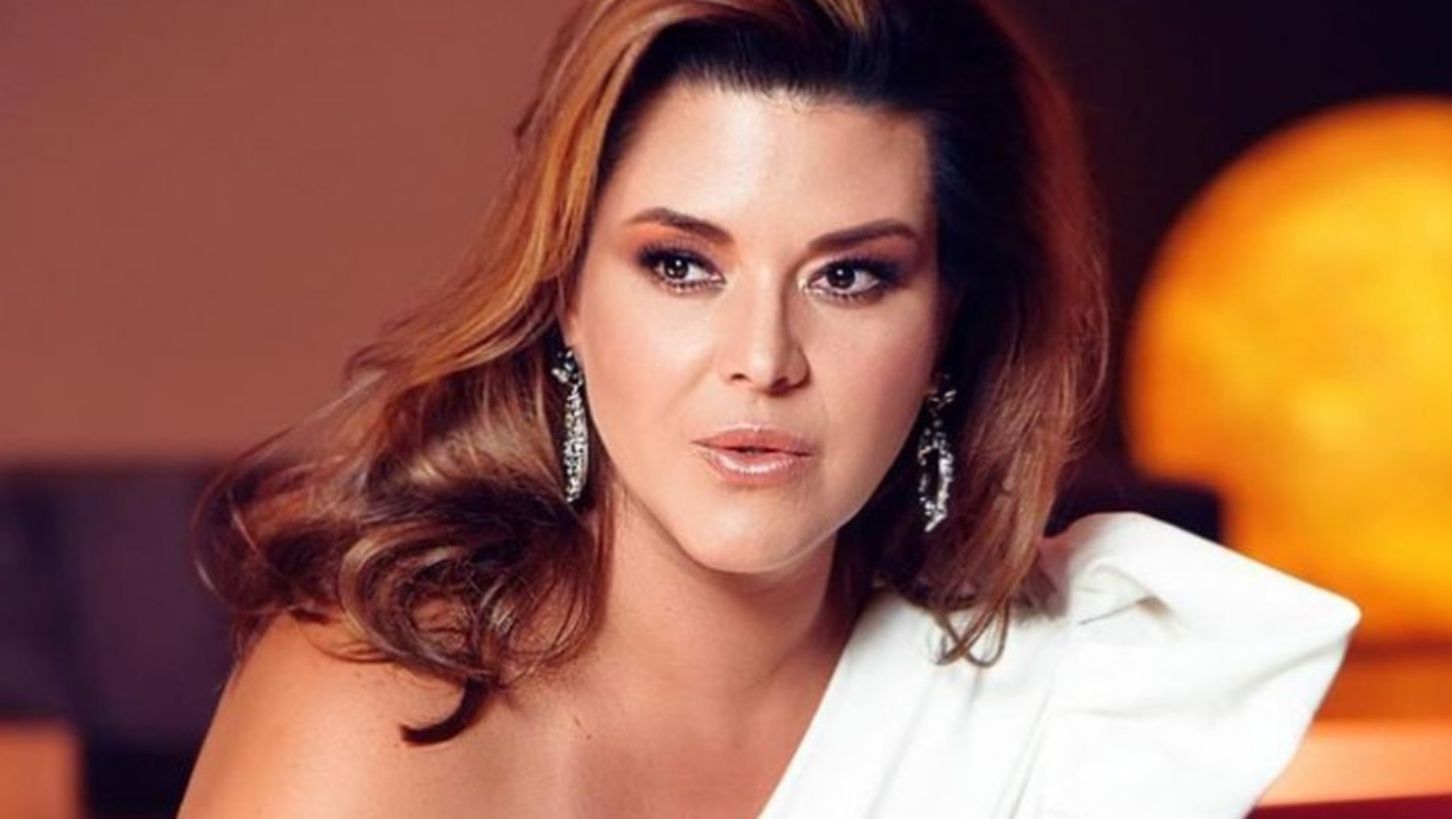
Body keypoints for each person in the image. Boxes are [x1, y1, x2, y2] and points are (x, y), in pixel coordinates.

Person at [178, 0, 1361, 816]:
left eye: (850, 277)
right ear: (567, 295)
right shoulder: (377, 714)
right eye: (681, 266)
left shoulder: (1069, 696)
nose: (763, 359)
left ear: (947, 325)